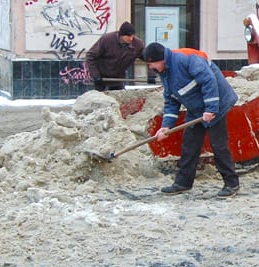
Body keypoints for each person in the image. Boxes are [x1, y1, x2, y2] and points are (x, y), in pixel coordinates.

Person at [144, 42, 240, 198]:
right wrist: (166, 127)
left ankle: (231, 184)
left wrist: (211, 108)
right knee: (190, 143)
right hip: (196, 107)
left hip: (217, 102)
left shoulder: (186, 60)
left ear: (160, 59)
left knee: (218, 145)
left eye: (151, 64)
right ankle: (183, 183)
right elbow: (171, 101)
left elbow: (209, 80)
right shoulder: (165, 73)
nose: (151, 68)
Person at [84, 22, 144, 92]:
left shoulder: (137, 44)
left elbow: (145, 56)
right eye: (128, 36)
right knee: (101, 100)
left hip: (118, 78)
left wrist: (154, 65)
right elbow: (90, 56)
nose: (131, 38)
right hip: (102, 78)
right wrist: (95, 75)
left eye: (132, 36)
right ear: (121, 35)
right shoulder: (106, 40)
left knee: (119, 99)